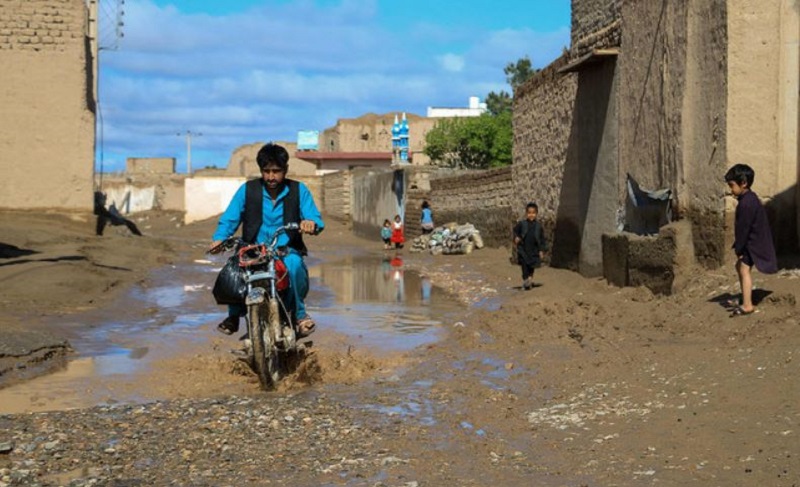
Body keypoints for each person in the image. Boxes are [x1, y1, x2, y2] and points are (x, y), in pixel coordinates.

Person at [209, 143, 324, 337]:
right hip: (253, 250)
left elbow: (315, 218)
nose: (271, 176)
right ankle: (234, 316)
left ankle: (300, 316)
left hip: (285, 250)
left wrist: (311, 223)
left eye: (276, 171)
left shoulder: (299, 190)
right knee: (233, 269)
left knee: (294, 265)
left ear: (285, 170)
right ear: (261, 171)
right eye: (266, 171)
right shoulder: (247, 190)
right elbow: (230, 218)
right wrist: (219, 239)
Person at [724, 163, 777, 317]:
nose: (730, 190)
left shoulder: (746, 203)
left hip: (753, 242)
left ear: (744, 183)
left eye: (732, 185)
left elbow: (743, 229)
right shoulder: (750, 198)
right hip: (753, 240)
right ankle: (745, 298)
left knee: (743, 268)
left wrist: (739, 249)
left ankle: (747, 305)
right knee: (740, 266)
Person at [513, 202, 548, 290]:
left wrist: (541, 250)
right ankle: (526, 280)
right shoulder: (522, 224)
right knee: (524, 266)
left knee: (532, 266)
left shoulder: (538, 226)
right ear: (526, 213)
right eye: (529, 213)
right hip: (523, 249)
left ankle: (529, 279)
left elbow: (542, 239)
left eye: (533, 213)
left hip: (534, 250)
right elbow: (515, 231)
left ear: (536, 214)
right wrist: (516, 237)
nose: (531, 215)